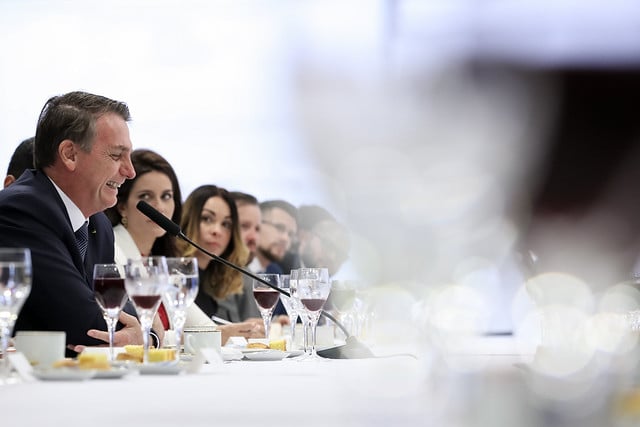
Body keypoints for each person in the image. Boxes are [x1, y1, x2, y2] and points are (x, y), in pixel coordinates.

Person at [0, 91, 152, 350]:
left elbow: (125, 313)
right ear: (69, 154)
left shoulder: (98, 225)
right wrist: (138, 336)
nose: (130, 171)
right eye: (117, 156)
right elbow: (85, 324)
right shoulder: (21, 210)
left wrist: (147, 337)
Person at [104, 148, 211, 334]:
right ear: (122, 206)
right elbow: (141, 333)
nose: (160, 207)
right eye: (146, 196)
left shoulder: (161, 262)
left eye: (166, 196)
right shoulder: (111, 251)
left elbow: (204, 328)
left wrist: (242, 330)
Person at [179, 185, 264, 340]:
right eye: (207, 219)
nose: (217, 231)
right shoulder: (175, 276)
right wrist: (229, 333)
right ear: (188, 220)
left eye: (226, 224)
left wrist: (241, 329)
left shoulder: (214, 279)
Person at [251, 199, 298, 274]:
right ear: (257, 225)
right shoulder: (232, 270)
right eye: (279, 228)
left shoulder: (276, 272)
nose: (285, 238)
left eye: (290, 234)